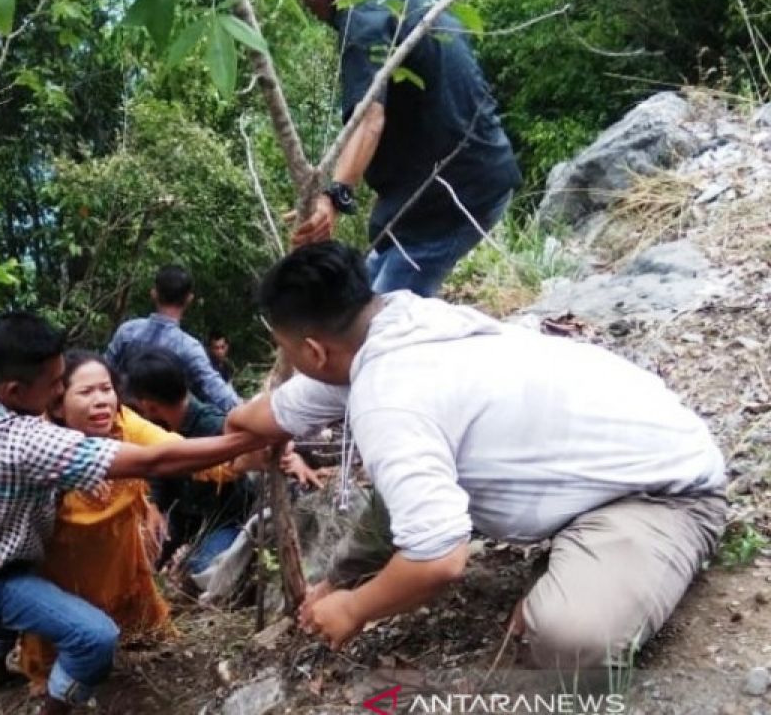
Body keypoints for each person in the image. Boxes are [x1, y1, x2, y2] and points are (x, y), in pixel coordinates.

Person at [226, 241, 727, 668]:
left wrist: (354, 609)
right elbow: (262, 417)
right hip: (608, 461)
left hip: (662, 491)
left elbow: (439, 561)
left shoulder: (389, 397)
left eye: (288, 352)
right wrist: (240, 444)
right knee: (405, 488)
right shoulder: (400, 324)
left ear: (314, 353)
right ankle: (583, 565)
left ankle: (615, 567)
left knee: (565, 639)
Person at [0, 312, 266, 715]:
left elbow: (161, 446)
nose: (60, 389)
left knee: (20, 583)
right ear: (20, 393)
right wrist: (246, 440)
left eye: (105, 388)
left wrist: (239, 459)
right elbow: (155, 462)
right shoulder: (24, 442)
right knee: (92, 637)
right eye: (59, 387)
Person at [280, 0, 522, 297]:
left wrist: (334, 196)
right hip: (463, 180)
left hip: (453, 197)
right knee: (361, 301)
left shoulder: (362, 18)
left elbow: (369, 119)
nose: (307, 5)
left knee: (381, 330)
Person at [16, 351, 180, 688]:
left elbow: (171, 448)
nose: (101, 400)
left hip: (119, 562)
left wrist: (237, 453)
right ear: (58, 405)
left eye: (106, 389)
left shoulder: (125, 424)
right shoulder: (37, 448)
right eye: (86, 393)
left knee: (148, 642)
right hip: (60, 572)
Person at [124, 347, 320, 572]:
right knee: (140, 557)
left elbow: (265, 444)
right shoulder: (159, 429)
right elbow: (158, 471)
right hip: (182, 520)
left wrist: (294, 459)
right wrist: (156, 506)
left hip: (225, 521)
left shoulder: (214, 425)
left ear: (148, 406)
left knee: (198, 568)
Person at [105, 265, 241, 412]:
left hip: (121, 417)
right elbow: (216, 391)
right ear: (189, 299)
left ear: (154, 294)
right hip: (163, 427)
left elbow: (104, 370)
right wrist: (246, 411)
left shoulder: (128, 331)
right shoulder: (188, 348)